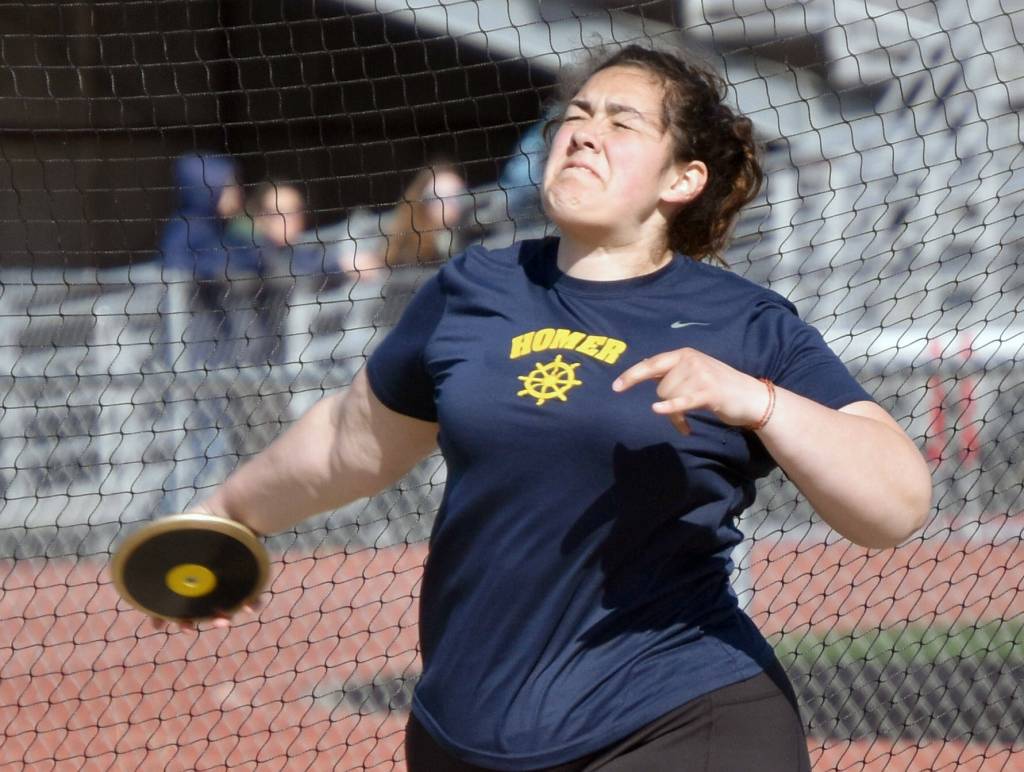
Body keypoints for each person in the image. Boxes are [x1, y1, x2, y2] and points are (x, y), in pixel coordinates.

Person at [159, 45, 932, 771]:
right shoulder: (476, 290)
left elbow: (894, 504)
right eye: (578, 117)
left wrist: (760, 403)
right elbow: (349, 442)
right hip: (464, 728)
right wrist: (227, 511)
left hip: (679, 714)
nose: (585, 136)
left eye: (622, 123)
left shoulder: (742, 321)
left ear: (682, 179)